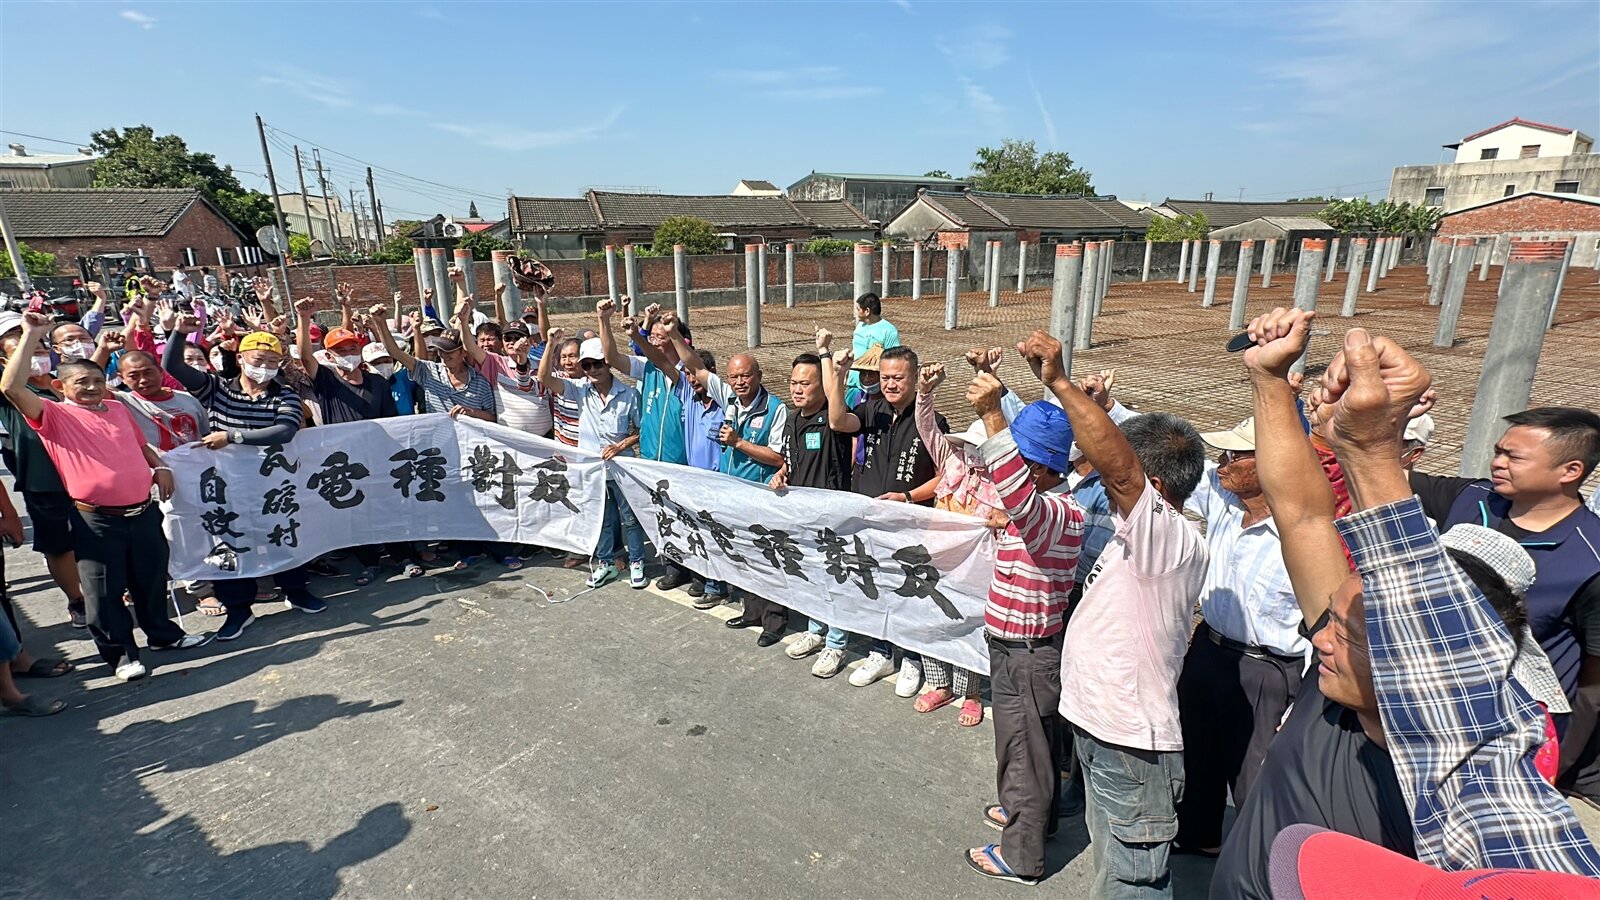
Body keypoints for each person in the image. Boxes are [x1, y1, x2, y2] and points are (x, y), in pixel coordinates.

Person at [1213, 307, 1600, 898]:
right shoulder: (1340, 668)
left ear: (1433, 658)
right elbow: (1303, 514)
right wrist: (1269, 382)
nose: (1319, 642)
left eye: (1349, 634)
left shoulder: (1454, 811)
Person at [1030, 333, 1207, 897]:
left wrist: (1058, 382)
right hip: (1102, 729)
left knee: (1134, 879)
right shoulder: (1141, 538)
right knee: (1112, 861)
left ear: (1153, 489)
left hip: (1131, 741)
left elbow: (1123, 473)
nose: (1100, 480)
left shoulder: (1167, 539)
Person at [1405, 407, 1600, 801]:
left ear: (1570, 471)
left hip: (1508, 746)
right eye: (1498, 451)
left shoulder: (1589, 560)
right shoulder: (1471, 499)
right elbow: (1377, 478)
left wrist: (1555, 765)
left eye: (1514, 457)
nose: (1497, 462)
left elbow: (1593, 686)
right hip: (1422, 714)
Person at [4, 312, 209, 680]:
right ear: (60, 386)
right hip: (96, 519)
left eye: (98, 380)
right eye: (82, 382)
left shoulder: (116, 407)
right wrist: (31, 335)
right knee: (104, 591)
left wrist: (159, 465)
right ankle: (121, 655)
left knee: (150, 578)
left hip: (142, 512)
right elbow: (11, 389)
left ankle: (163, 636)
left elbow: (138, 442)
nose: (92, 387)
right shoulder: (53, 415)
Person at [957, 337, 1087, 886]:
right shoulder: (1049, 507)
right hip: (1021, 650)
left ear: (1036, 469)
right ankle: (1035, 819)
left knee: (1023, 752)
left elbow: (1014, 491)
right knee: (1030, 750)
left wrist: (991, 414)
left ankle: (1022, 854)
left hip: (1026, 656)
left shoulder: (1053, 511)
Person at [1174, 415, 1306, 857]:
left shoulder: (1302, 531)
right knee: (1197, 751)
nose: (1222, 462)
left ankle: (1258, 864)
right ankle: (1198, 837)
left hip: (1266, 670)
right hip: (1209, 648)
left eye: (1236, 454)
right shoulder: (1223, 499)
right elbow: (1168, 454)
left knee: (1254, 774)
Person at [163, 321, 326, 641]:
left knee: (283, 538)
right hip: (225, 486)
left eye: (271, 362)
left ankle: (296, 591)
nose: (264, 367)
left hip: (271, 483)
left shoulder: (286, 394)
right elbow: (172, 365)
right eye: (257, 359)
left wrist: (232, 436)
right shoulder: (216, 387)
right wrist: (180, 332)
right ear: (239, 358)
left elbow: (285, 430)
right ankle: (239, 611)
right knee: (229, 545)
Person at [820, 339, 943, 694]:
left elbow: (946, 474)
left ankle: (913, 658)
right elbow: (837, 421)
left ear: (915, 376)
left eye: (898, 378)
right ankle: (882, 650)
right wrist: (840, 377)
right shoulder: (873, 410)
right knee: (876, 586)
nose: (890, 384)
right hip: (871, 520)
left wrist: (908, 496)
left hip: (911, 522)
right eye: (886, 377)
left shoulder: (932, 419)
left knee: (910, 590)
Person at [669, 320, 789, 645]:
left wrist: (738, 444)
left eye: (745, 376)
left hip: (761, 497)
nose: (738, 382)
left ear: (759, 376)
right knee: (743, 555)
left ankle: (774, 621)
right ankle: (750, 611)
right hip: (731, 494)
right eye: (734, 376)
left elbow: (778, 457)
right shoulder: (730, 399)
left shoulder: (776, 409)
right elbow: (694, 366)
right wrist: (673, 335)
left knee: (767, 558)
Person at [913, 359, 999, 727]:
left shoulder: (1002, 480)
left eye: (980, 448)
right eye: (970, 446)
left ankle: (971, 692)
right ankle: (939, 685)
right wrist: (925, 393)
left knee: (969, 626)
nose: (973, 454)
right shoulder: (951, 463)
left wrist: (992, 379)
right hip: (939, 561)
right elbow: (928, 428)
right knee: (935, 620)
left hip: (977, 570)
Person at [537, 302, 643, 588]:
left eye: (597, 363)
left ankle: (636, 561)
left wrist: (622, 446)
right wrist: (550, 345)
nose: (592, 369)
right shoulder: (579, 390)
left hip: (622, 468)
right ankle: (606, 563)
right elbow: (544, 379)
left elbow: (641, 431)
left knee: (629, 518)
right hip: (592, 470)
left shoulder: (629, 394)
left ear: (607, 364)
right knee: (602, 520)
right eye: (587, 365)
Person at [602, 301, 700, 591]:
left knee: (687, 518)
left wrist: (636, 335)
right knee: (663, 517)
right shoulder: (647, 369)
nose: (655, 340)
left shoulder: (688, 371)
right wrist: (604, 320)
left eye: (661, 336)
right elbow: (610, 357)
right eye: (653, 336)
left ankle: (698, 571)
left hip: (680, 460)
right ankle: (674, 567)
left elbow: (663, 362)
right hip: (652, 460)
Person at [0, 314, 89, 629]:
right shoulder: (9, 391)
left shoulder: (61, 381)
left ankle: (102, 590)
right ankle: (77, 599)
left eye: (40, 347)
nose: (36, 353)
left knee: (96, 536)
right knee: (58, 543)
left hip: (85, 473)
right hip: (44, 480)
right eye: (25, 348)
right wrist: (29, 334)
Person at [773, 348, 855, 676]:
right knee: (811, 576)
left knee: (835, 578)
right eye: (794, 383)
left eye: (805, 384)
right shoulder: (793, 420)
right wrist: (783, 472)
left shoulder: (833, 420)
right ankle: (815, 628)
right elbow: (792, 461)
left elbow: (838, 402)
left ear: (822, 386)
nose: (797, 389)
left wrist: (830, 360)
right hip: (802, 514)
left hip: (832, 516)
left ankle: (836, 644)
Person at [114, 350, 208, 450]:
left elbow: (207, 436)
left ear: (160, 371)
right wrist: (103, 350)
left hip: (199, 463)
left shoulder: (190, 400)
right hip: (156, 465)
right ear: (122, 378)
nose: (143, 380)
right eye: (134, 376)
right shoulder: (123, 402)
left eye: (148, 373)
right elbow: (96, 385)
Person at [846, 292, 899, 395]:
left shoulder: (889, 330)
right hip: (854, 383)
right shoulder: (860, 326)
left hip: (874, 386)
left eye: (858, 309)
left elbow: (893, 358)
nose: (856, 313)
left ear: (867, 311)